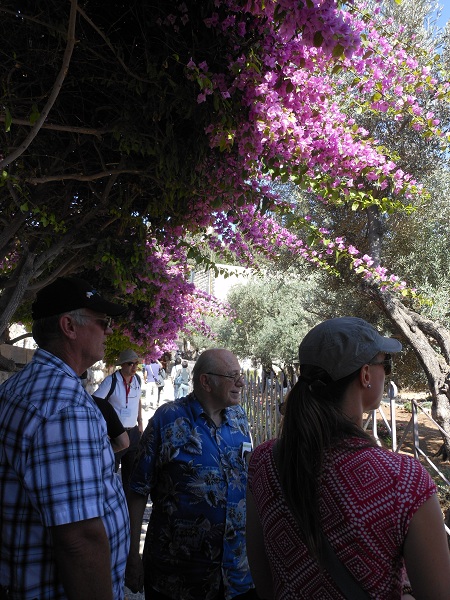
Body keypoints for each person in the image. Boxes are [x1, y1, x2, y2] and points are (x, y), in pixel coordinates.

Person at [246, 317, 450, 600]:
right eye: (385, 365)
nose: (386, 373)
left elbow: (263, 578)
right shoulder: (404, 480)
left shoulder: (264, 462)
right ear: (365, 375)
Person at [0, 276, 130, 600]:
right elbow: (79, 541)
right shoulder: (64, 407)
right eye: (103, 322)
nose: (109, 330)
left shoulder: (20, 386)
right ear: (69, 326)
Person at [126, 348, 257, 600]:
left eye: (240, 375)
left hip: (236, 577)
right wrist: (132, 556)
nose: (241, 382)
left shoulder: (239, 418)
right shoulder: (167, 420)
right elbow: (138, 491)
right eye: (233, 376)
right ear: (206, 381)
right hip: (178, 579)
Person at [94, 349, 143, 498]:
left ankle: (128, 508)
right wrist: (105, 429)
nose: (134, 367)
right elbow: (96, 402)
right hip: (116, 435)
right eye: (130, 364)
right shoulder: (111, 381)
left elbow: (138, 401)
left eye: (136, 363)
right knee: (110, 472)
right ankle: (109, 502)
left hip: (133, 433)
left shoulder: (137, 380)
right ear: (122, 364)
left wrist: (140, 423)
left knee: (131, 476)